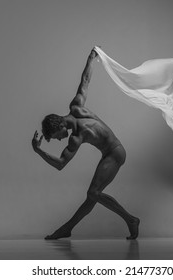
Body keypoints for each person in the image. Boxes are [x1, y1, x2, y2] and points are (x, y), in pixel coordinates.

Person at [32, 47, 140, 240]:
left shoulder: (77, 137)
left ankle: (131, 219)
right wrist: (91, 58)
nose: (59, 139)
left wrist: (38, 151)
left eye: (56, 136)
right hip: (111, 152)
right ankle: (67, 229)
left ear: (59, 126)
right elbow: (85, 81)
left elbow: (60, 165)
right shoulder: (77, 107)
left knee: (94, 192)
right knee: (92, 197)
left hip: (115, 153)